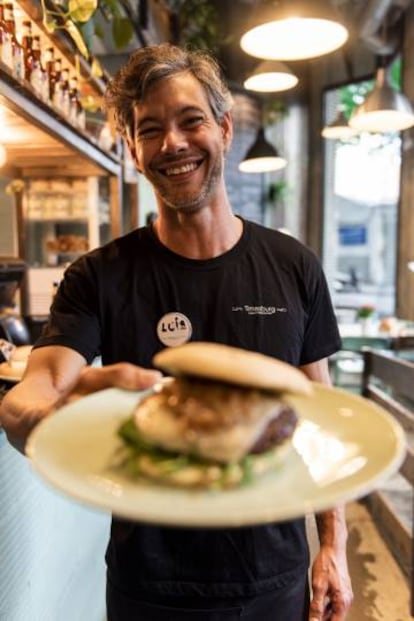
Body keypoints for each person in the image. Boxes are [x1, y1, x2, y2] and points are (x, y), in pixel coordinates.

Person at [0, 43, 353, 621]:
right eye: (150, 129)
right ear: (134, 152)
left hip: (275, 576)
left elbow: (326, 418)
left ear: (224, 127)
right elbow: (29, 395)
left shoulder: (293, 266)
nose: (173, 144)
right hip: (152, 587)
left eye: (191, 121)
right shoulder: (98, 275)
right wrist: (47, 417)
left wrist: (333, 546)